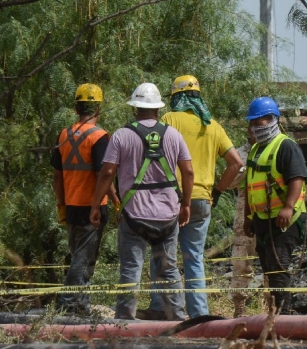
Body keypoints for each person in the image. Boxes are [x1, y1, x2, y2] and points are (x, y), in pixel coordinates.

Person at [139, 75, 243, 320]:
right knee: (194, 258)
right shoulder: (213, 126)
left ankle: (159, 307)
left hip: (171, 199)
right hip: (202, 201)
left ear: (176, 98)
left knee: (162, 254)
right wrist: (216, 192)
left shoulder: (169, 119)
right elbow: (236, 163)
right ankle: (199, 314)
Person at [90, 83, 194, 320]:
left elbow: (106, 174)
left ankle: (125, 321)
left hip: (134, 215)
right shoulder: (173, 135)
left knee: (130, 270)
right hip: (168, 216)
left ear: (134, 108)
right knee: (168, 271)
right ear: (158, 109)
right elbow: (188, 172)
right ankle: (177, 318)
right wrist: (185, 204)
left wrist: (96, 205)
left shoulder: (121, 136)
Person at [50, 83, 118, 315]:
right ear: (98, 108)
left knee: (83, 257)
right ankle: (67, 304)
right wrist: (114, 199)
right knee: (82, 258)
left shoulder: (63, 135)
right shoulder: (99, 136)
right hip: (92, 206)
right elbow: (103, 174)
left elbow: (57, 177)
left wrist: (61, 205)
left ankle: (80, 308)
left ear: (76, 108)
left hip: (71, 205)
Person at [242, 96, 307, 315]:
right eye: (252, 123)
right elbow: (250, 186)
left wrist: (288, 207)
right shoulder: (256, 150)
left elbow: (297, 177)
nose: (253, 127)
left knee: (278, 267)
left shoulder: (286, 146)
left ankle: (283, 316)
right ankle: (274, 313)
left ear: (272, 120)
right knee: (269, 269)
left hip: (284, 219)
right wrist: (248, 216)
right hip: (262, 219)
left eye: (258, 122)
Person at [228, 137, 255, 318]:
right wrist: (246, 168)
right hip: (244, 220)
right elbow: (230, 181)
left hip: (271, 216)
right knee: (241, 264)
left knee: (273, 266)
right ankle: (240, 308)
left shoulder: (278, 149)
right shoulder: (239, 154)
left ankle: (273, 309)